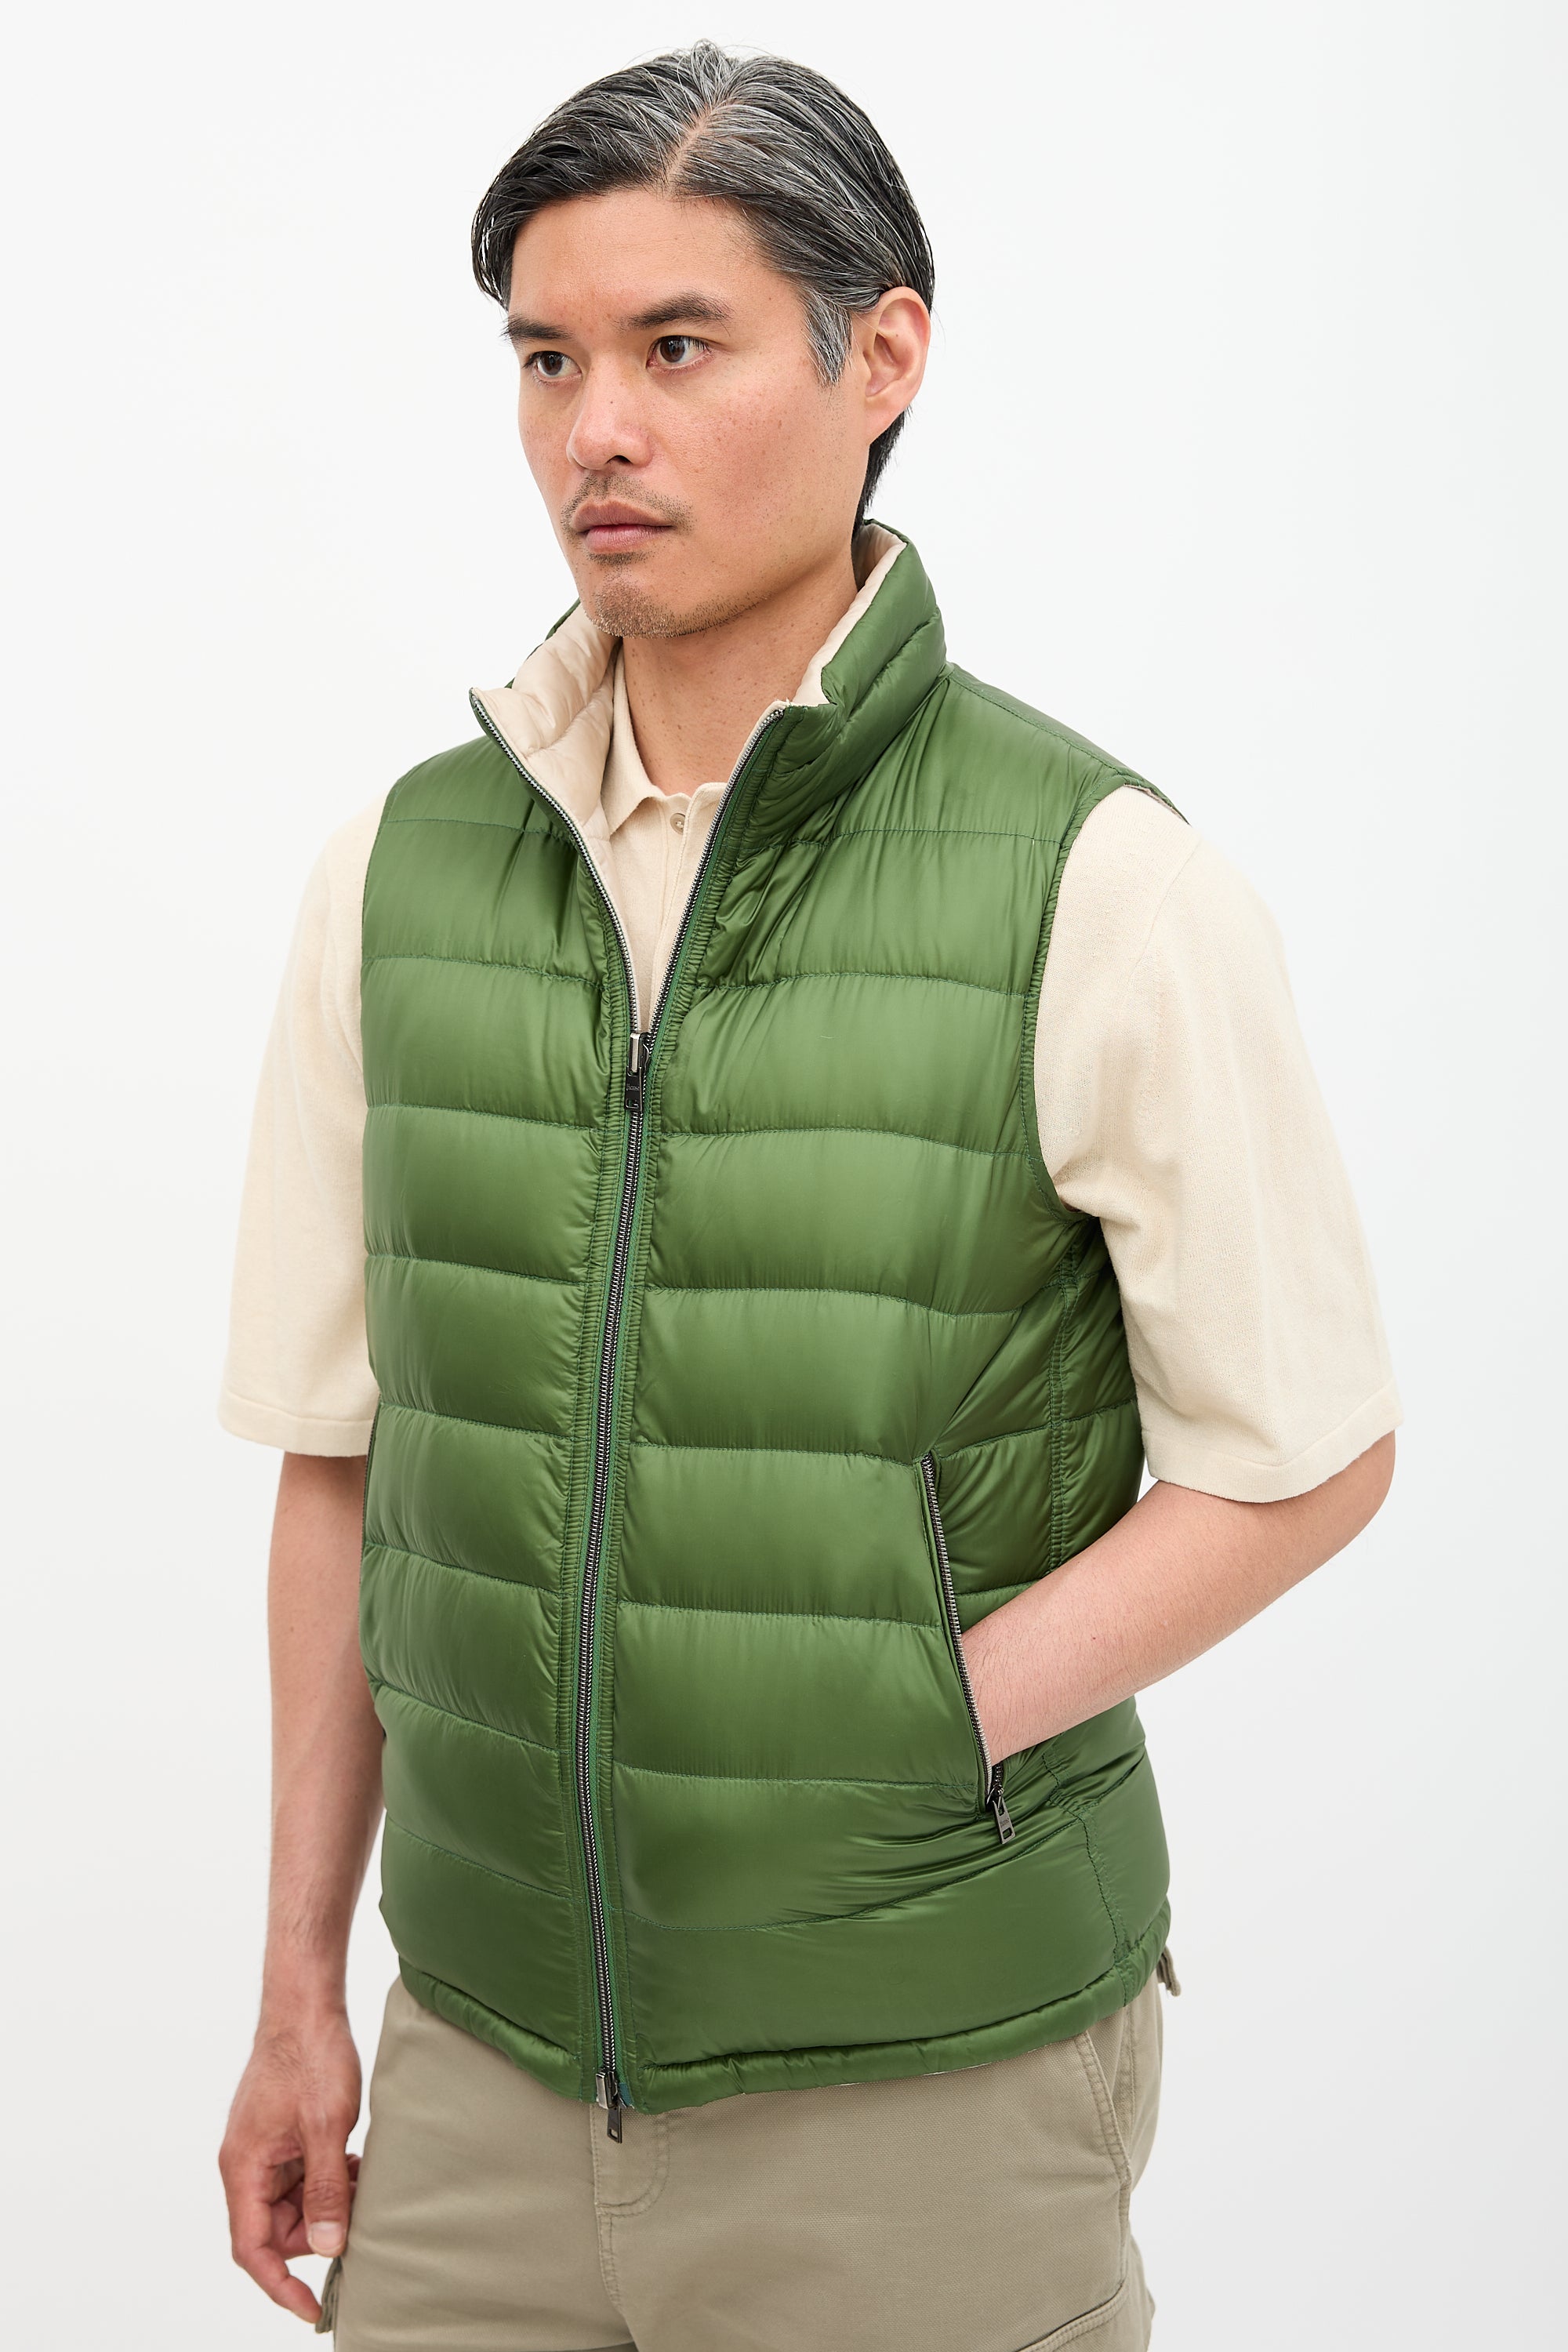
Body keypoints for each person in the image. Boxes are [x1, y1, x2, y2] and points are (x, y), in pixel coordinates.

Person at [216, 41, 1399, 2352]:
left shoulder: (1099, 881)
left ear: (884, 359)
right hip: (478, 2067)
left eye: (679, 348)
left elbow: (1306, 1453)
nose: (597, 431)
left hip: (924, 2080)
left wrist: (919, 1711)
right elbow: (344, 1461)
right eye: (548, 359)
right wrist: (294, 1987)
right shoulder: (398, 875)